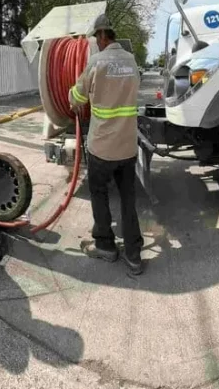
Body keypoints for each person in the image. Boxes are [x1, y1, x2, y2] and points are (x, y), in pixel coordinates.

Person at [69, 14, 144, 275]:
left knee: (99, 193)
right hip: (127, 146)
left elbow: (78, 97)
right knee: (128, 198)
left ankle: (105, 246)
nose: (97, 43)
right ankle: (134, 255)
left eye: (97, 38)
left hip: (101, 147)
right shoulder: (131, 61)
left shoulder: (96, 62)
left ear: (102, 35)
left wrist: (72, 96)